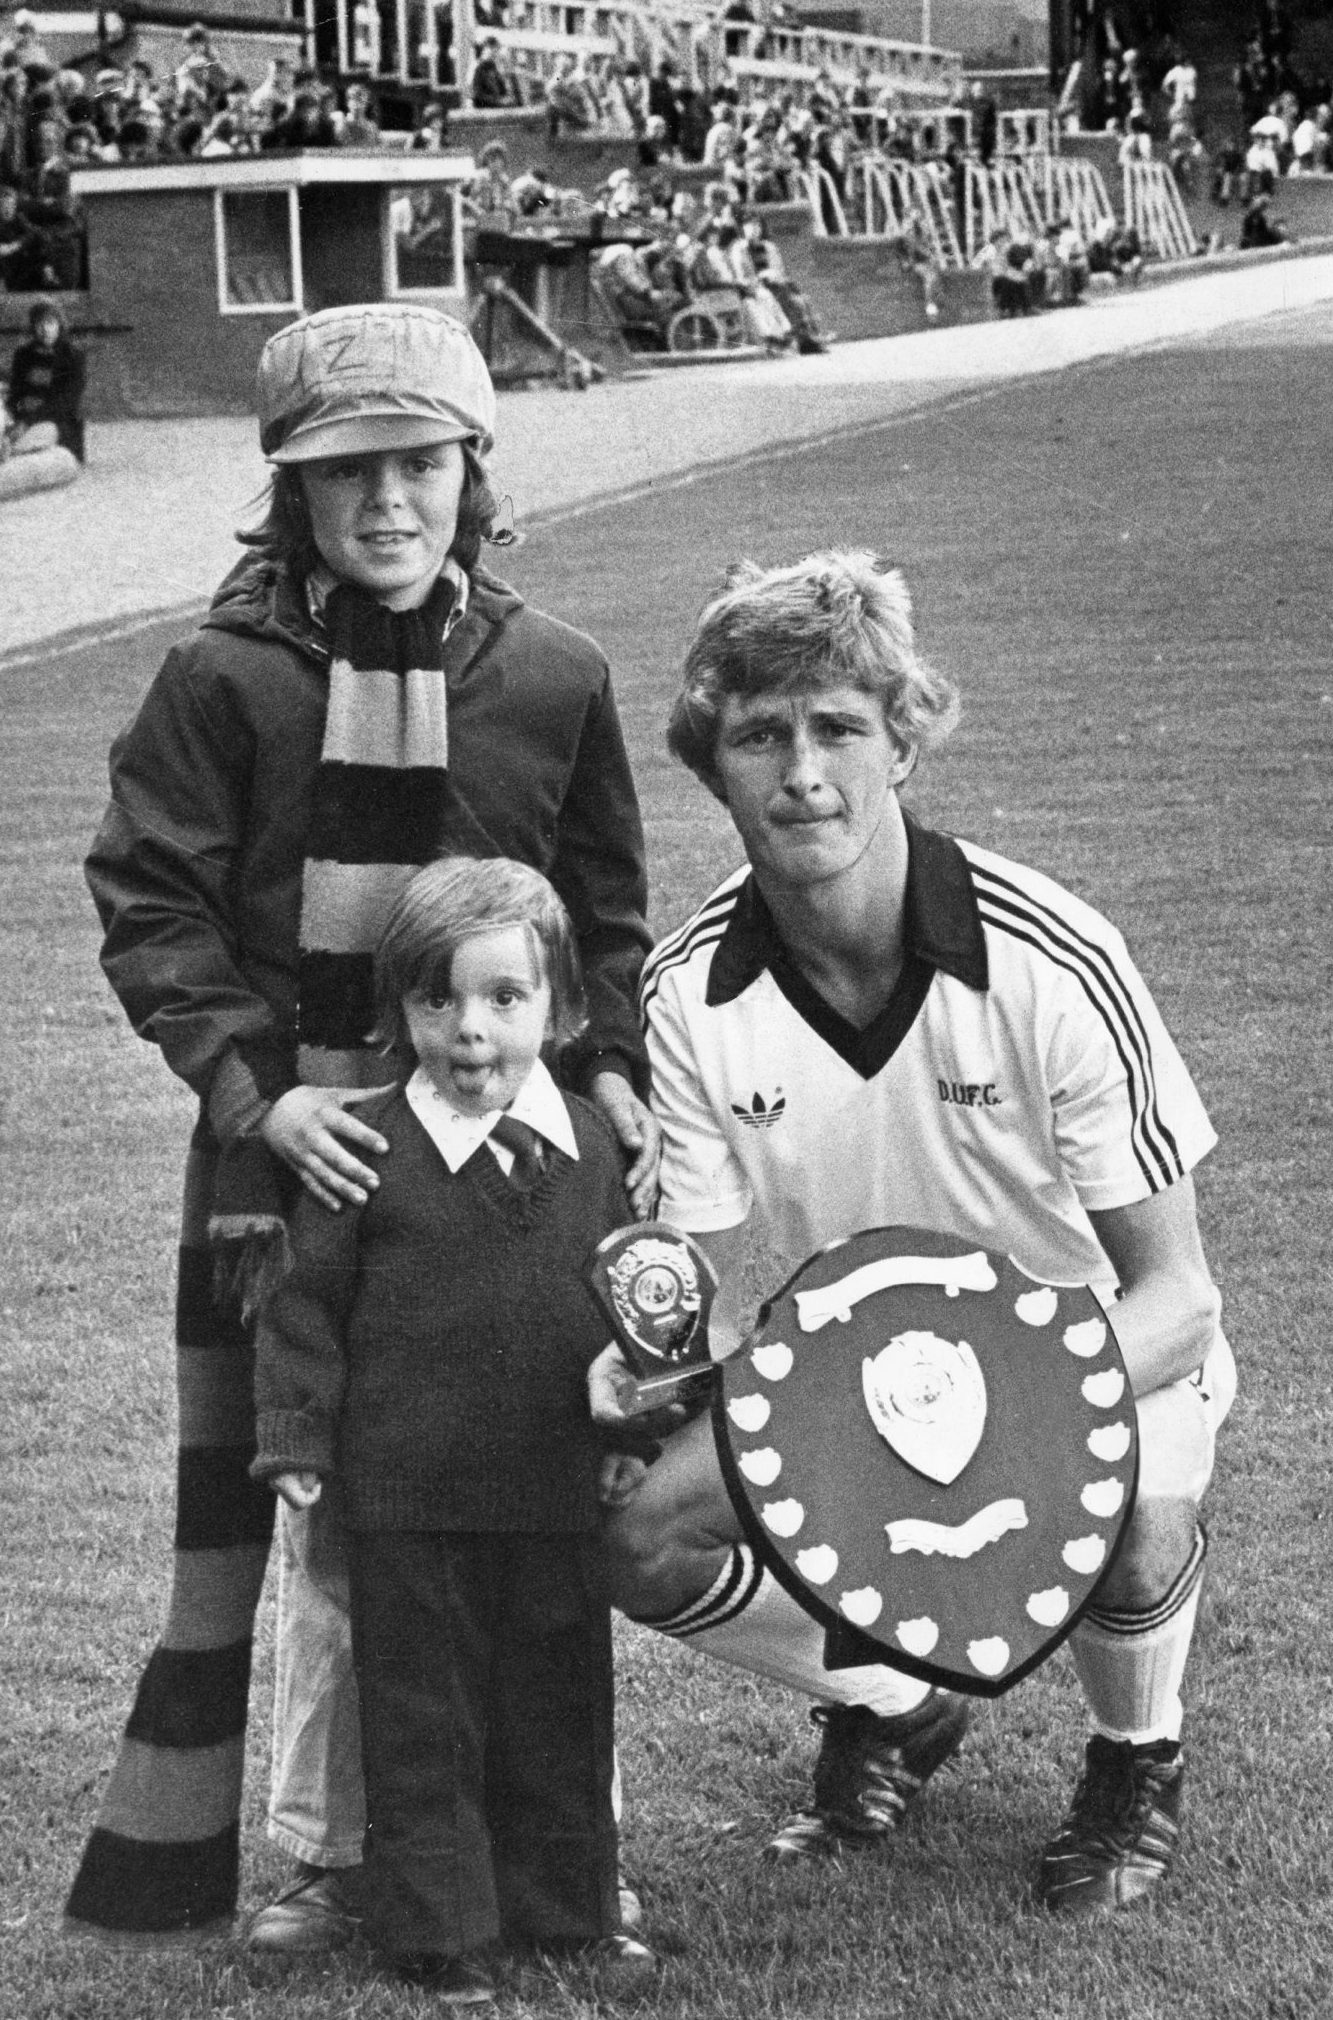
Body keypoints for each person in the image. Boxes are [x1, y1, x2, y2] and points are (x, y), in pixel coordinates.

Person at [67, 303, 657, 1951]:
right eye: (345, 473)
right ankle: (336, 1858)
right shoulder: (225, 676)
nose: (385, 502)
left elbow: (602, 912)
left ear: (473, 472)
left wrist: (606, 1064)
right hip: (293, 1167)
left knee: (534, 1500)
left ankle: (556, 1850)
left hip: (511, 1168)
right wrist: (262, 1097)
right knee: (328, 1507)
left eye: (418, 463)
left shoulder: (551, 673)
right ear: (290, 491)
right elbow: (152, 902)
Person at [591, 550, 1235, 1917]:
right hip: (847, 1372)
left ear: (904, 742)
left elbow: (1179, 1296)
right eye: (761, 734)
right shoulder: (690, 993)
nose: (803, 772)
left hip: (1086, 1341)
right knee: (631, 1529)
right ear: (715, 762)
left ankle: (1136, 1758)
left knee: (1131, 1521)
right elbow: (695, 1290)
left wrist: (1018, 1392)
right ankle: (894, 1699)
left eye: (839, 727)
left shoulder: (1054, 956)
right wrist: (658, 1372)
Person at [250, 857, 658, 2003]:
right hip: (408, 1500)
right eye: (437, 1001)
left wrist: (635, 1427)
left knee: (558, 1710)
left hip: (553, 1491)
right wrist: (296, 1437)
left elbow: (629, 1307)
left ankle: (570, 1913)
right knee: (424, 1727)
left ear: (562, 1008)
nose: (469, 1030)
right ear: (399, 1013)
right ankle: (438, 1933)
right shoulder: (363, 1150)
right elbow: (302, 1305)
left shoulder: (591, 1147)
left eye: (503, 998)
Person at [8, 300, 85, 459]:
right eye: (39, 324)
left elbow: (66, 402)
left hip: (57, 421)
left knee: (30, 440)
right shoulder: (23, 354)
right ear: (32, 327)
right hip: (23, 418)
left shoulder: (72, 356)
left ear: (59, 325)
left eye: (50, 323)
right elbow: (16, 393)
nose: (45, 330)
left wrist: (28, 422)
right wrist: (16, 416)